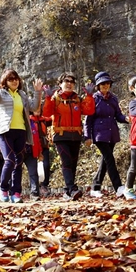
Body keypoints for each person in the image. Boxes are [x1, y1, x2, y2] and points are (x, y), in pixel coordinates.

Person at [0, 68, 43, 204]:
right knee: (10, 160)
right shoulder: (0, 94)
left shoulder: (21, 95)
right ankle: (3, 187)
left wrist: (38, 92)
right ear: (5, 81)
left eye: (16, 78)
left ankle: (16, 193)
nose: (14, 81)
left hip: (21, 131)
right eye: (10, 79)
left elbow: (34, 107)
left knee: (18, 163)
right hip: (4, 131)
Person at [42, 72, 95, 200]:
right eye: (66, 81)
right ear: (60, 84)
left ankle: (67, 191)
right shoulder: (56, 99)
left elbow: (89, 110)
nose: (69, 84)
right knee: (66, 162)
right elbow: (47, 113)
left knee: (73, 163)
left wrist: (89, 95)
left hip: (75, 135)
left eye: (72, 81)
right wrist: (48, 98)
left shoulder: (77, 99)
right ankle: (72, 189)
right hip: (61, 135)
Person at [84, 71, 129, 198]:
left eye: (107, 83)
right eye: (102, 84)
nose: (105, 86)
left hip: (112, 133)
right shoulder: (93, 99)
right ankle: (118, 187)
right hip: (99, 135)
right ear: (98, 86)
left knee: (105, 160)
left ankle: (95, 187)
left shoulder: (113, 98)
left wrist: (126, 118)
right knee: (110, 159)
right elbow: (88, 120)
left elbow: (118, 115)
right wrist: (87, 136)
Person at [30, 107, 52, 196]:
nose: (37, 111)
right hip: (33, 146)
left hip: (43, 145)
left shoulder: (44, 120)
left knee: (46, 165)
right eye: (36, 109)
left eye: (39, 109)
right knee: (33, 166)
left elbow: (52, 118)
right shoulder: (29, 120)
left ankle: (44, 185)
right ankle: (34, 186)